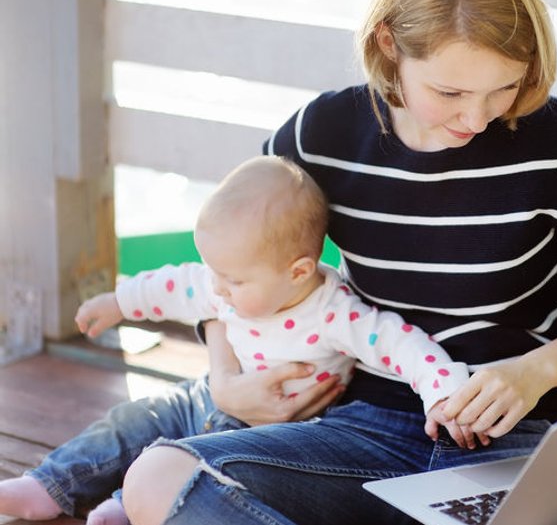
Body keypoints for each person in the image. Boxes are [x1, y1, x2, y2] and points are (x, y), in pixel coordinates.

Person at [120, 0, 557, 523]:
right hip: (369, 425)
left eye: (505, 87)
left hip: (534, 431)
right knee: (160, 477)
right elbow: (234, 259)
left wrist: (534, 373)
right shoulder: (323, 135)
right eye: (449, 91)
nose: (477, 117)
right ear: (388, 44)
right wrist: (227, 377)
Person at [0, 156, 474, 525]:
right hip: (210, 390)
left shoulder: (334, 313)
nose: (219, 288)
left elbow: (402, 344)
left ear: (298, 272)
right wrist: (119, 302)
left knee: (205, 447)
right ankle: (51, 482)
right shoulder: (227, 278)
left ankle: (129, 503)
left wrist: (442, 389)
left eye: (233, 281)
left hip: (272, 425)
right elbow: (174, 285)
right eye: (215, 274)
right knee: (134, 418)